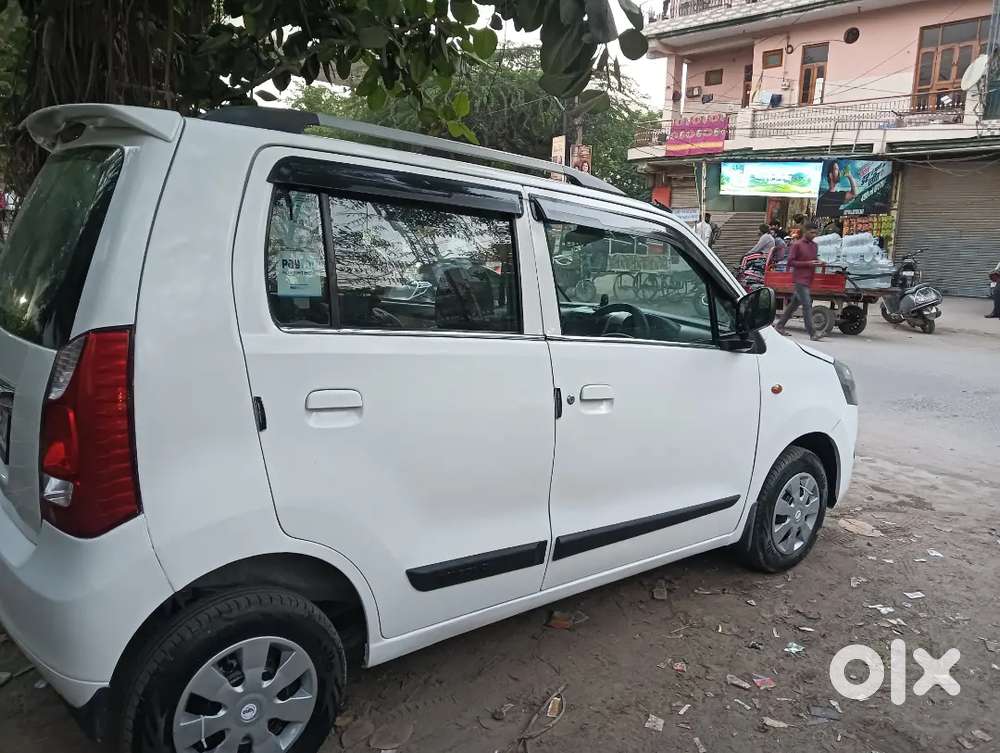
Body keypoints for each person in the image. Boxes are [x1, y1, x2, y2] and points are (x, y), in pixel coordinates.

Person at [775, 221, 824, 340]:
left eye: (815, 233)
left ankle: (780, 325)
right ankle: (812, 333)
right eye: (811, 232)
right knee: (807, 304)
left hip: (808, 279)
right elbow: (791, 262)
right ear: (805, 231)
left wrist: (819, 262)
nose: (814, 235)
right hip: (799, 279)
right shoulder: (797, 245)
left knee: (794, 305)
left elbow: (813, 259)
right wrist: (808, 263)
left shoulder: (814, 245)